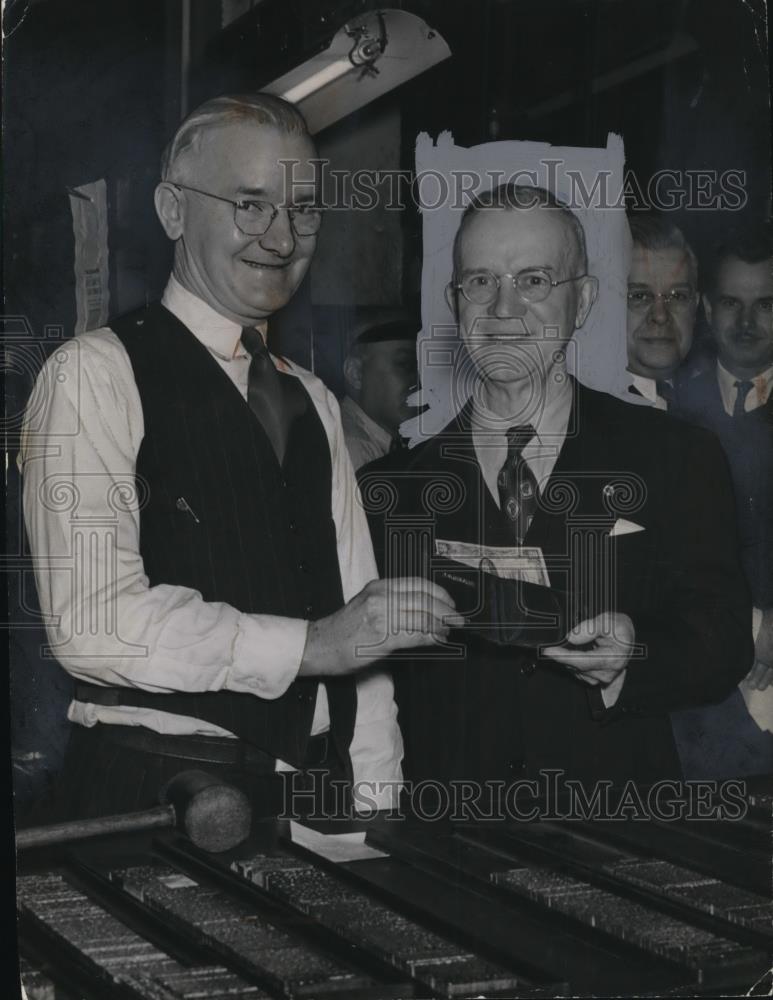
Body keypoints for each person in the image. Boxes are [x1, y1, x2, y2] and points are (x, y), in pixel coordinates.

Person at [19, 93, 458, 822]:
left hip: (306, 800)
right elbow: (92, 622)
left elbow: (362, 635)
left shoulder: (310, 398)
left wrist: (379, 806)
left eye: (303, 209)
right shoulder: (91, 374)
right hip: (155, 798)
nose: (281, 238)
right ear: (171, 210)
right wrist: (309, 646)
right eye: (249, 205)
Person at [361, 184, 752, 798]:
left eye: (534, 281)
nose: (504, 309)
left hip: (622, 836)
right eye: (481, 282)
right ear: (453, 302)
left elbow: (725, 642)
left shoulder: (674, 457)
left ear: (585, 301)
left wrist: (636, 654)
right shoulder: (387, 491)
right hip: (452, 850)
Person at [671, 230, 773, 776]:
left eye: (766, 305)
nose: (748, 323)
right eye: (732, 303)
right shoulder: (668, 411)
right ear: (708, 310)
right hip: (700, 711)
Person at [625, 213, 699, 410]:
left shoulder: (716, 405)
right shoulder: (584, 413)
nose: (660, 315)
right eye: (639, 296)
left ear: (695, 307)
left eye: (677, 296)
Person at [341, 318, 422, 470]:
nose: (420, 380)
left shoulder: (387, 442)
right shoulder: (351, 449)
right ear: (355, 373)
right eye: (405, 364)